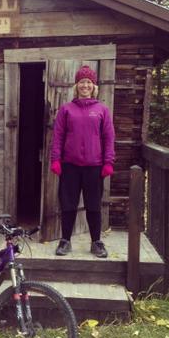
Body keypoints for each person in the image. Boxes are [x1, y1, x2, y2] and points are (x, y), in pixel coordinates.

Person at [50, 65, 115, 258]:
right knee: (68, 204)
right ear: (76, 85)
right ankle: (65, 241)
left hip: (94, 167)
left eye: (88, 82)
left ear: (93, 86)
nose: (85, 85)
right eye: (81, 82)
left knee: (94, 205)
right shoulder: (66, 109)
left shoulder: (102, 110)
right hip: (70, 165)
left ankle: (96, 242)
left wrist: (108, 162)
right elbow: (58, 136)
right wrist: (56, 159)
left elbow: (109, 137)